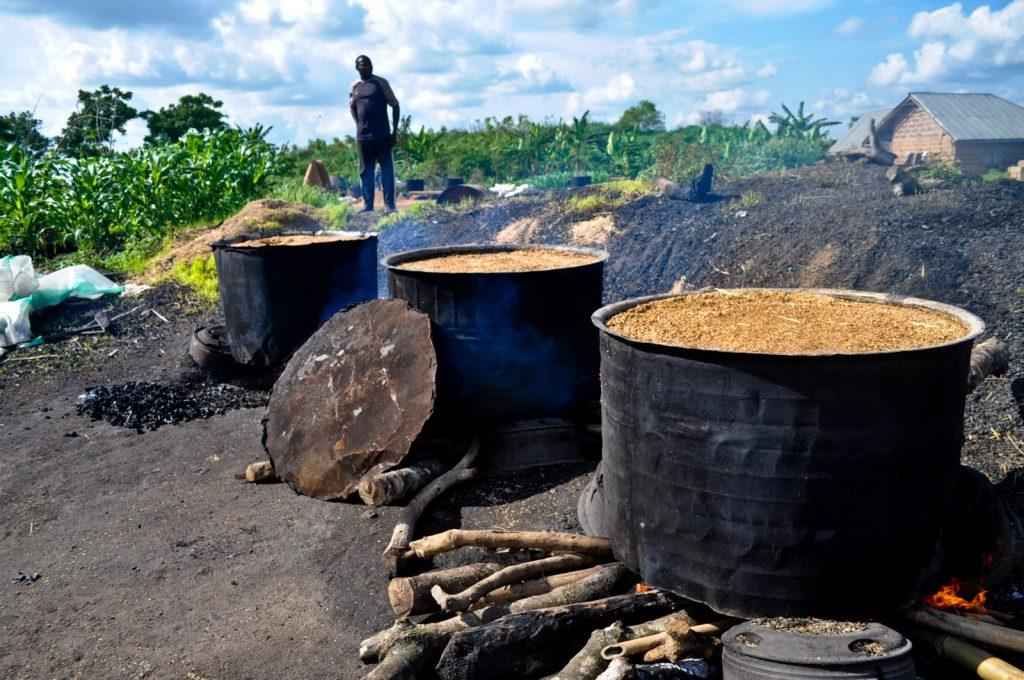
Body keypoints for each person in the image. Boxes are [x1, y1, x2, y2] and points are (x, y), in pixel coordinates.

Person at [349, 55, 400, 213]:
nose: (367, 67)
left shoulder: (381, 83)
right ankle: (367, 205)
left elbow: (395, 105)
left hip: (382, 135)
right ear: (357, 68)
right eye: (363, 65)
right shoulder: (354, 87)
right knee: (366, 171)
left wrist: (394, 131)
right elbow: (352, 106)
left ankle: (390, 206)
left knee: (386, 170)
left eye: (369, 64)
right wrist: (358, 123)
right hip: (363, 137)